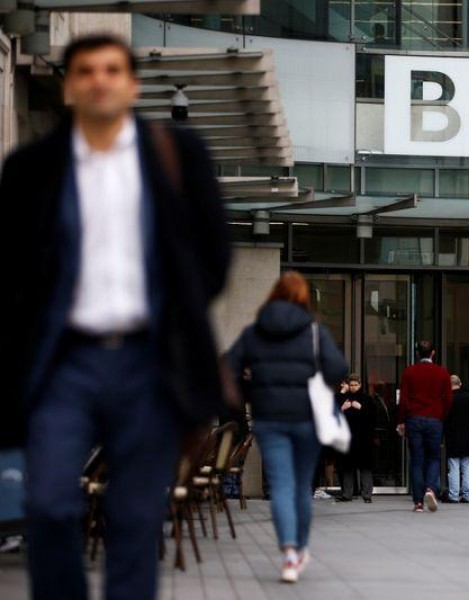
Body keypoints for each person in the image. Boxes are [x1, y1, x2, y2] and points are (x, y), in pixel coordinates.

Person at [0, 35, 230, 600]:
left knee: (134, 516)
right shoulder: (32, 168)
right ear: (70, 85)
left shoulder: (177, 154)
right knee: (49, 503)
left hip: (148, 363)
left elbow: (214, 252)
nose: (99, 79)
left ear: (131, 84)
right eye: (86, 70)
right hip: (64, 363)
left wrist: (178, 317)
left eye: (111, 69)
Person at [226, 271, 348, 583]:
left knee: (281, 485)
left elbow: (226, 367)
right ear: (304, 297)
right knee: (301, 486)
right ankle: (301, 548)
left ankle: (289, 553)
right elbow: (338, 368)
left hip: (268, 418)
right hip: (307, 419)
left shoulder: (254, 332)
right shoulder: (313, 332)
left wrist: (249, 392)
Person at [397, 341, 453, 512]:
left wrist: (401, 421)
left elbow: (404, 400)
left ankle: (418, 502)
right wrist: (441, 416)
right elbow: (449, 399)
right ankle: (430, 488)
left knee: (416, 460)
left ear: (417, 353)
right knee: (434, 457)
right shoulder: (442, 373)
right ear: (433, 353)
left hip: (414, 419)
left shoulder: (409, 372)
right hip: (435, 419)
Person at [337, 373, 376, 503]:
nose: (353, 387)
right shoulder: (344, 399)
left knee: (365, 467)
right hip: (348, 437)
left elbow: (373, 416)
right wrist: (342, 408)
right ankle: (347, 494)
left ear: (360, 385)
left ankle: (367, 495)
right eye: (351, 385)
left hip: (363, 438)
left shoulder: (366, 399)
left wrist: (361, 408)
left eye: (355, 385)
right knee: (348, 467)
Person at [445, 374, 469, 503]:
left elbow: (446, 420)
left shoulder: (448, 398)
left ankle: (453, 495)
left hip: (453, 437)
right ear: (460, 384)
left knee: (453, 467)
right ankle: (468, 495)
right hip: (467, 437)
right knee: (467, 467)